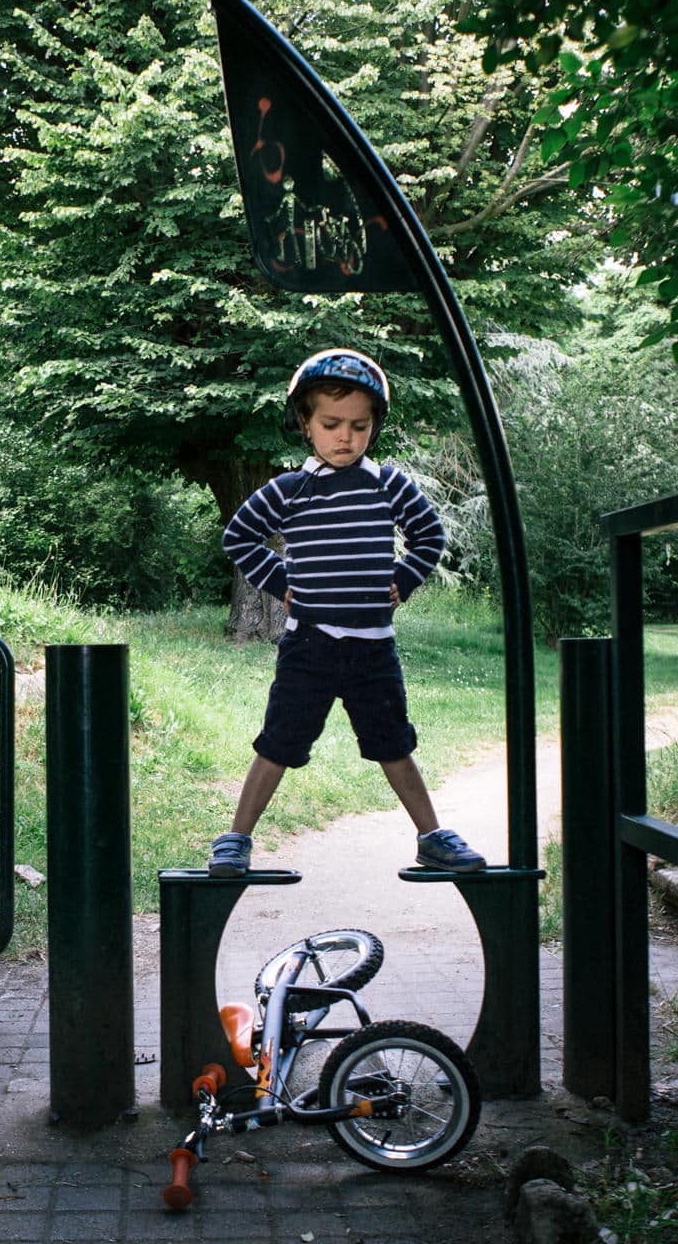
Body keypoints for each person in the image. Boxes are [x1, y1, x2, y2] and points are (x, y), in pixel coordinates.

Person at [208, 348, 486, 877]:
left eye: (359, 426)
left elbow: (429, 535)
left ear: (373, 427)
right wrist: (281, 582)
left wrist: (402, 581)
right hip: (308, 645)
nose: (346, 437)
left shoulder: (388, 485)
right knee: (278, 742)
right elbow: (239, 536)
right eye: (331, 424)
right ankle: (236, 839)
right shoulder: (290, 490)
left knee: (394, 743)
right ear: (305, 425)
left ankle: (431, 837)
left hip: (372, 646)